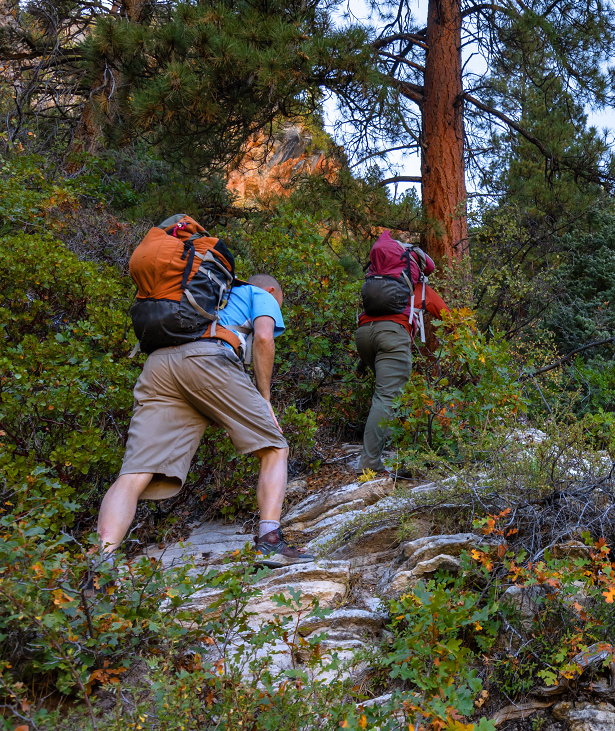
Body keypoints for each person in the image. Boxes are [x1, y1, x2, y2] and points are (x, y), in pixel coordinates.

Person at [96, 274, 311, 567]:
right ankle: (270, 541)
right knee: (274, 448)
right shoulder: (259, 294)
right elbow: (263, 337)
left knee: (135, 472)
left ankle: (100, 561)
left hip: (159, 366)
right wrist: (265, 398)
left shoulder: (205, 298)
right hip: (208, 358)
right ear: (272, 291)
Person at [354, 230, 446, 473]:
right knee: (386, 397)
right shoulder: (417, 289)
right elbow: (450, 318)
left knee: (386, 394)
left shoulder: (375, 284)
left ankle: (385, 442)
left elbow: (373, 322)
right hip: (392, 336)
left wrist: (362, 362)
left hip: (363, 336)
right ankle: (369, 464)